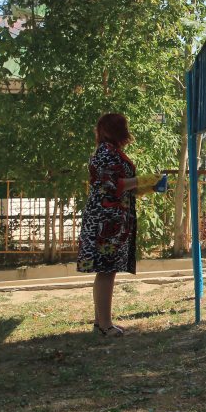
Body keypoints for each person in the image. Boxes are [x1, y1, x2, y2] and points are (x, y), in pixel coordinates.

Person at [77, 113, 163, 337]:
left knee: (107, 270)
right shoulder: (106, 153)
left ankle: (100, 323)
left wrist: (150, 186)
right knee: (106, 270)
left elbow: (124, 187)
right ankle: (105, 326)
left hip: (110, 219)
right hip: (106, 221)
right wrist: (146, 179)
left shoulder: (110, 151)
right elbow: (114, 184)